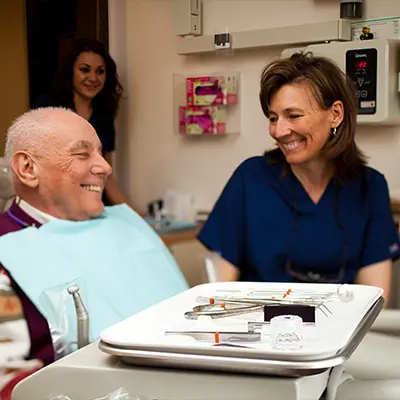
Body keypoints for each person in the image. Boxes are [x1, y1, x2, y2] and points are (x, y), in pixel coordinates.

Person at [198, 52, 400, 304]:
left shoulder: (369, 188)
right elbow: (220, 295)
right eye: (273, 118)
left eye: (293, 116)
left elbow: (374, 300)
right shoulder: (251, 179)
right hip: (256, 332)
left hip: (336, 334)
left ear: (335, 114)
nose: (280, 131)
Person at [0, 107, 187, 376]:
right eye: (82, 154)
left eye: (99, 152)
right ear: (28, 168)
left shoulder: (127, 225)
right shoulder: (6, 252)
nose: (105, 167)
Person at [33, 38, 141, 213]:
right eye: (84, 70)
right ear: (71, 72)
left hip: (94, 205)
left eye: (100, 71)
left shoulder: (104, 114)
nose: (93, 78)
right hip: (55, 206)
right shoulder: (48, 106)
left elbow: (105, 174)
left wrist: (135, 214)